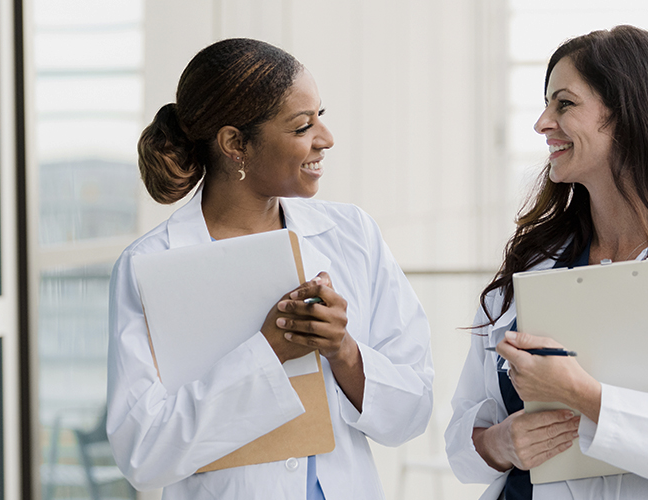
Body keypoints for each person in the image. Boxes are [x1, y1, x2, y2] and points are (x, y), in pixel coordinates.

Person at [445, 25, 648, 500]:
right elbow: (462, 438)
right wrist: (500, 444)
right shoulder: (536, 264)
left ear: (625, 116)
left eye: (564, 104)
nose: (542, 123)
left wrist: (584, 395)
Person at [106, 38, 433, 500]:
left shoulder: (353, 234)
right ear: (235, 143)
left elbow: (414, 410)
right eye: (302, 126)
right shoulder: (149, 266)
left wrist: (343, 352)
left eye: (321, 115)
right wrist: (267, 352)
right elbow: (142, 453)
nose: (326, 137)